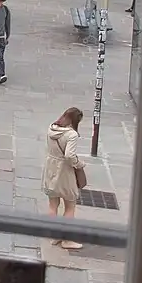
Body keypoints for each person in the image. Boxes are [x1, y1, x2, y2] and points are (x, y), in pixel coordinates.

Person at [42, 107, 87, 250]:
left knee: (52, 204)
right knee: (70, 205)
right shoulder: (71, 135)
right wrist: (80, 164)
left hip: (50, 167)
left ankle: (54, 235)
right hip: (64, 171)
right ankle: (67, 240)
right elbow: (69, 156)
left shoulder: (52, 128)